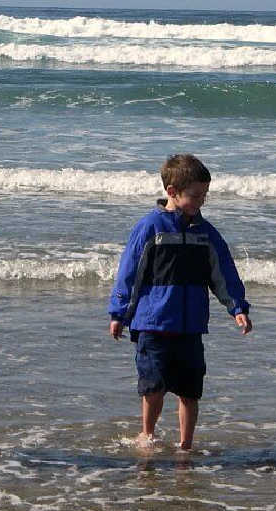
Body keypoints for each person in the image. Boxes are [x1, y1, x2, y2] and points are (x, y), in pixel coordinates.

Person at [108, 154, 252, 451]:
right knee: (153, 387)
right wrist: (119, 313)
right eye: (195, 196)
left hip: (190, 327)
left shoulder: (205, 233)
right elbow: (129, 273)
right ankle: (147, 434)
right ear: (172, 192)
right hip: (153, 323)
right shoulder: (151, 228)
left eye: (204, 195)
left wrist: (237, 307)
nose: (201, 201)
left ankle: (186, 444)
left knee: (190, 391)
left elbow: (223, 273)